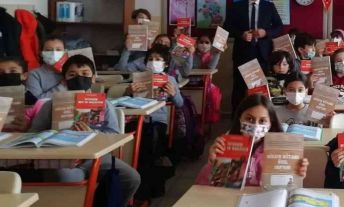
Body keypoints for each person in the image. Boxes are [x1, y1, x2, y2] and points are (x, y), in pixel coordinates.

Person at [29, 55, 141, 207]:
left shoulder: (104, 104)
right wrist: (56, 133)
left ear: (93, 78)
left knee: (130, 178)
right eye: (72, 74)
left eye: (85, 74)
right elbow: (34, 133)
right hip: (62, 159)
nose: (79, 78)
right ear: (64, 79)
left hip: (97, 158)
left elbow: (114, 135)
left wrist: (93, 134)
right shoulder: (51, 104)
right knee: (66, 178)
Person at [197, 94, 309, 186]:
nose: (255, 125)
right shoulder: (226, 145)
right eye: (249, 119)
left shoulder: (280, 149)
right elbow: (206, 185)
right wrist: (212, 164)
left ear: (271, 123)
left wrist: (296, 173)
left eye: (262, 121)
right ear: (240, 118)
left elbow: (286, 187)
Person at [125, 44, 184, 201]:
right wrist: (129, 92)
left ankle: (148, 189)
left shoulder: (170, 79)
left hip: (157, 121)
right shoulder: (139, 77)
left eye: (158, 59)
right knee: (134, 144)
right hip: (138, 118)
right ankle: (136, 187)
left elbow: (180, 103)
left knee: (151, 142)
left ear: (165, 64)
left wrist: (173, 93)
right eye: (150, 59)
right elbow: (126, 101)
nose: (153, 62)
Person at [223, 0, 284, 111]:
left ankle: (260, 114)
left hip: (263, 55)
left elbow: (279, 27)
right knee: (239, 88)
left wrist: (265, 32)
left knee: (260, 88)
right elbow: (227, 27)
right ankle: (237, 117)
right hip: (242, 54)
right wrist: (241, 34)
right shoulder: (236, 6)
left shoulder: (269, 7)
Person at [26, 35, 67, 100]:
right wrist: (62, 86)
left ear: (64, 52)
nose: (54, 53)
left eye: (58, 50)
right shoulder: (34, 74)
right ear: (41, 53)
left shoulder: (71, 71)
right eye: (48, 50)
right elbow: (36, 101)